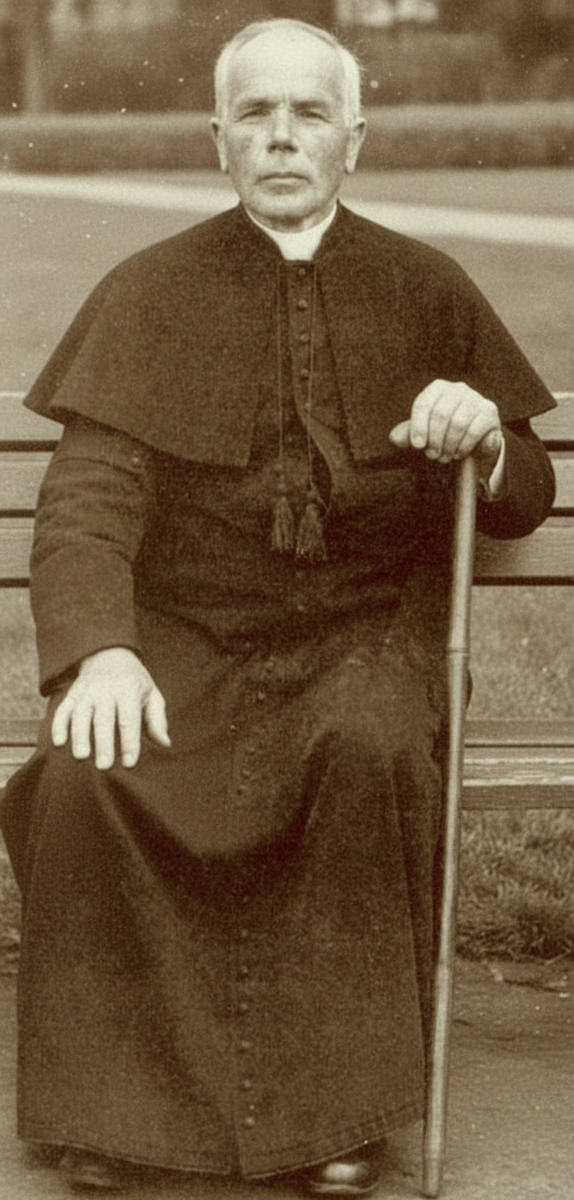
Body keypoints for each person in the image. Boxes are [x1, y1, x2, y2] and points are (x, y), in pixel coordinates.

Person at [0, 18, 556, 1197]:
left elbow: (520, 495)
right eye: (255, 113)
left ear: (354, 138)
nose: (283, 136)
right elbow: (88, 502)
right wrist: (100, 651)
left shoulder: (426, 288)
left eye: (309, 113)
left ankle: (335, 1123)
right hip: (183, 645)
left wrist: (483, 439)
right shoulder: (147, 292)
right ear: (220, 140)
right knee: (92, 768)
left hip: (364, 636)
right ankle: (114, 1115)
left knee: (365, 747)